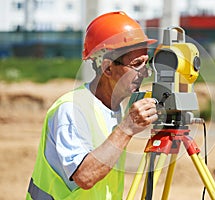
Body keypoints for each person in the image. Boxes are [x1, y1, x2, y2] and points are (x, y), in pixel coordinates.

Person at [26, 11, 158, 200]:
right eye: (137, 64)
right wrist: (127, 128)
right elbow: (85, 177)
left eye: (147, 63)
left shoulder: (114, 109)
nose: (145, 73)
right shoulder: (71, 109)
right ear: (108, 68)